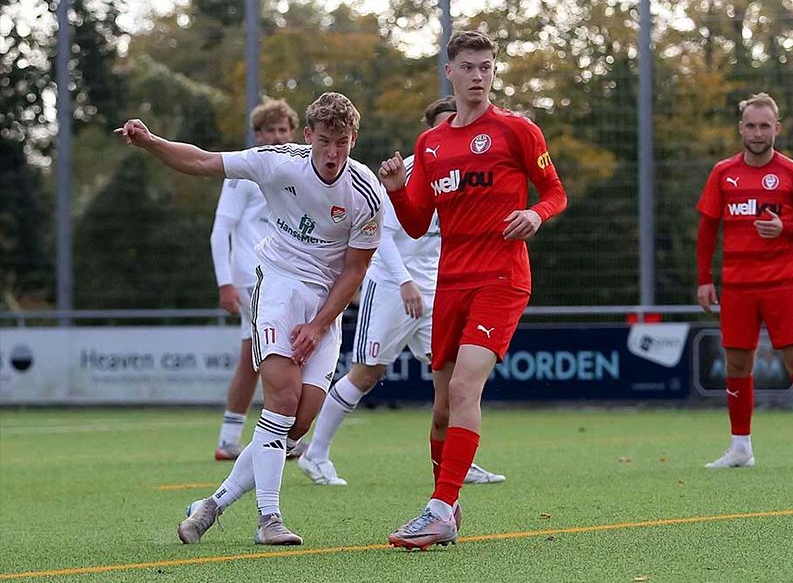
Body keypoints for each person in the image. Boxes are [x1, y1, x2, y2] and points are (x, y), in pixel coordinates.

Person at [116, 92, 383, 546]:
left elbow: (355, 270)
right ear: (307, 137)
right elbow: (201, 161)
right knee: (282, 399)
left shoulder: (366, 192)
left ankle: (210, 507)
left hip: (326, 305)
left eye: (342, 142)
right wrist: (150, 142)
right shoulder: (278, 162)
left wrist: (318, 324)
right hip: (278, 286)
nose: (333, 153)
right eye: (324, 141)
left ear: (353, 138)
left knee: (298, 424)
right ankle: (270, 519)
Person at [377, 30, 568, 550]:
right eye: (469, 67)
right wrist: (396, 190)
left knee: (464, 390)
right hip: (451, 281)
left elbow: (555, 192)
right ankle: (449, 506)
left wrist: (534, 212)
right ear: (450, 72)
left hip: (502, 279)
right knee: (441, 405)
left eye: (487, 67)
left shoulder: (518, 131)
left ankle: (438, 510)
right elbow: (416, 224)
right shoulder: (430, 144)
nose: (479, 76)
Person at [297, 96, 506, 487]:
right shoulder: (410, 170)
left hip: (437, 289)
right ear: (430, 131)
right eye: (449, 124)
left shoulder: (473, 171)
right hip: (393, 285)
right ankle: (315, 454)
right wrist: (406, 282)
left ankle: (456, 461)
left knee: (457, 379)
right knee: (367, 373)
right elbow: (383, 237)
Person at [695, 92, 793, 470]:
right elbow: (707, 231)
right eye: (751, 126)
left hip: (783, 283)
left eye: (764, 126)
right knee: (736, 365)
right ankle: (741, 448)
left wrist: (784, 227)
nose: (757, 132)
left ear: (777, 129)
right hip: (737, 286)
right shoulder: (723, 172)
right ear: (741, 129)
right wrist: (704, 279)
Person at [210, 98, 304, 461]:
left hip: (283, 274)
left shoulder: (299, 169)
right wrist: (225, 282)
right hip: (254, 276)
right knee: (280, 353)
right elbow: (222, 231)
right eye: (271, 131)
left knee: (253, 354)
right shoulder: (245, 171)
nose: (278, 136)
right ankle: (282, 437)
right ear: (258, 134)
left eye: (284, 130)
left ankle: (230, 437)